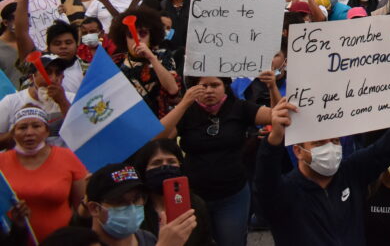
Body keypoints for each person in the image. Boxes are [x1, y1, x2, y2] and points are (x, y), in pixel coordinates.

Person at [255, 98, 390, 245]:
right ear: (298, 151)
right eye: (319, 143)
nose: (330, 148)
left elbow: (389, 146)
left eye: (335, 141)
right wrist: (274, 140)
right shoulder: (284, 192)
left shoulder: (351, 173)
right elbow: (265, 181)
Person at [159, 77, 273, 246]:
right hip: (194, 197)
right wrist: (183, 104)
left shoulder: (239, 107)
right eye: (203, 86)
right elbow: (157, 137)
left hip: (232, 195)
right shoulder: (188, 111)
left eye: (215, 85)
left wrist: (272, 88)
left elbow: (275, 115)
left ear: (225, 86)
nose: (209, 90)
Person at [0, 106, 86, 242]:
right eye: (22, 128)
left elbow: (82, 208)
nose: (29, 132)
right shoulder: (1, 163)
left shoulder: (67, 157)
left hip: (61, 241)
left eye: (36, 126)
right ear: (13, 133)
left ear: (46, 131)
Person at [84, 163, 198, 246]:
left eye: (137, 199)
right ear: (95, 208)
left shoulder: (147, 239)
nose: (132, 208)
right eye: (119, 201)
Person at [131, 139, 214, 246]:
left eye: (171, 162)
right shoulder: (135, 210)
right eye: (157, 163)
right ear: (143, 170)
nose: (165, 167)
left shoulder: (196, 204)